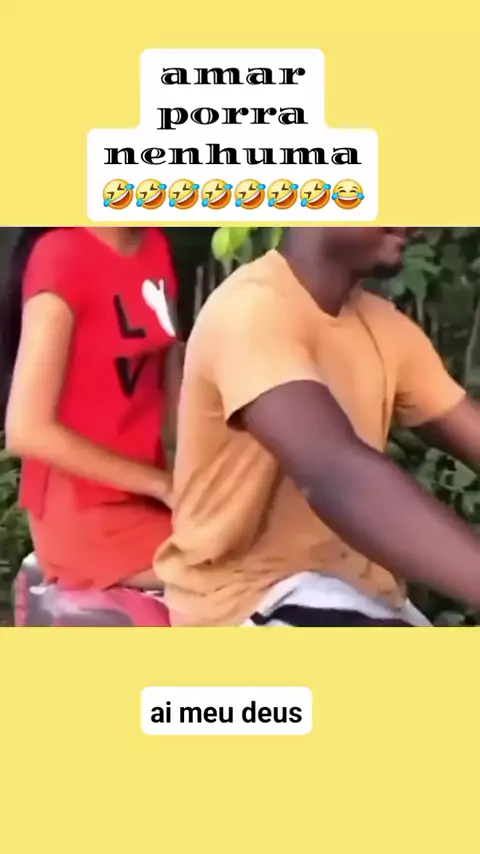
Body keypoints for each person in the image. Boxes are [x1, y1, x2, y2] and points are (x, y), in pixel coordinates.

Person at [153, 226, 480, 627]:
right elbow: (336, 474)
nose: (416, 223)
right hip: (248, 599)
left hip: (360, 594)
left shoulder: (384, 326)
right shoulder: (251, 310)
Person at [1, 227, 182, 591]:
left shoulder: (155, 244)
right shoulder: (61, 255)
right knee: (241, 570)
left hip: (150, 499)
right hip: (83, 516)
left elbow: (170, 371)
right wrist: (161, 484)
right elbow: (27, 429)